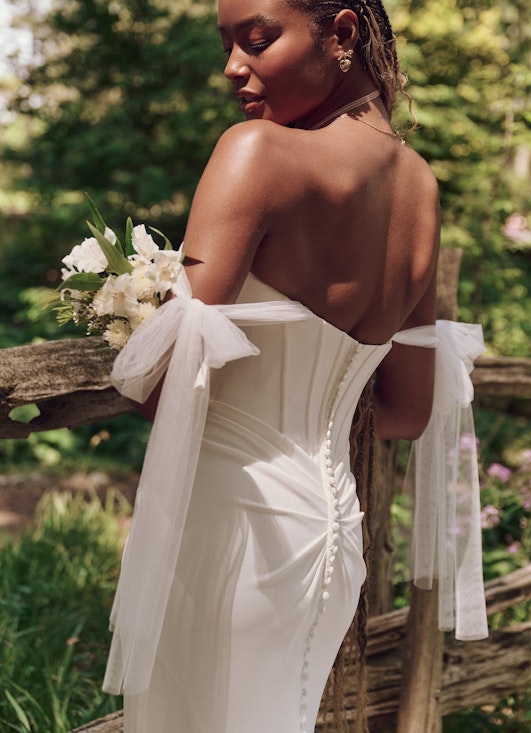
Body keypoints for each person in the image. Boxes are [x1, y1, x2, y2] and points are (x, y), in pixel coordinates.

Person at [102, 0, 488, 730]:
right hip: (334, 531)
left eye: (256, 40)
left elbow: (161, 386)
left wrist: (129, 310)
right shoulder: (420, 190)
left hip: (232, 525)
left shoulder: (257, 153)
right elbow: (406, 410)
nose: (232, 68)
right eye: (227, 45)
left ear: (342, 33)